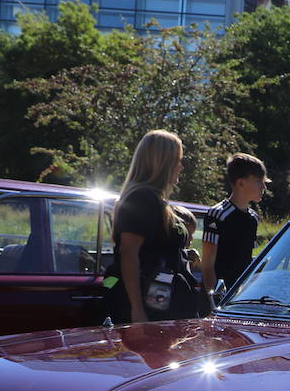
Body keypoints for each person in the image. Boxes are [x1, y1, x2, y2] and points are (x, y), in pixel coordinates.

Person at [102, 130, 201, 324]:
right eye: (177, 160)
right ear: (162, 162)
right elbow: (129, 253)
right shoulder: (142, 198)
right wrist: (137, 311)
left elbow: (156, 248)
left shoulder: (155, 199)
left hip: (165, 306)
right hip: (151, 311)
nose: (181, 166)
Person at [201, 152, 267, 293]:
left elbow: (246, 260)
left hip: (239, 296)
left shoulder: (253, 218)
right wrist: (213, 297)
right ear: (241, 183)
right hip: (219, 297)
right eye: (258, 181)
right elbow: (207, 264)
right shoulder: (217, 214)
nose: (264, 187)